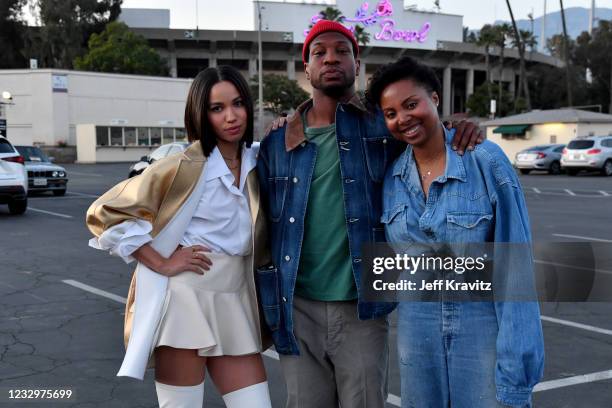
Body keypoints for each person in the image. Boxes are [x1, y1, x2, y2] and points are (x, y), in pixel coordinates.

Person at [256, 19, 483, 408]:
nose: (331, 58)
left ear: (357, 65)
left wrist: (463, 128)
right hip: (297, 307)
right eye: (320, 52)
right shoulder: (277, 142)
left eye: (342, 52)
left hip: (362, 307)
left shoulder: (385, 127)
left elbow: (428, 134)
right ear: (305, 68)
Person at [86, 66, 272, 408]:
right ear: (201, 114)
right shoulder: (182, 165)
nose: (231, 116)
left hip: (236, 296)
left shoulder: (260, 159)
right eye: (217, 108)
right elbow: (104, 213)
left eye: (238, 103)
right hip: (185, 298)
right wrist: (163, 262)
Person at [367, 56, 545, 407]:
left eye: (411, 104)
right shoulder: (392, 179)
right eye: (390, 114)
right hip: (416, 327)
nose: (403, 119)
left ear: (434, 99)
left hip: (479, 323)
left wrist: (517, 375)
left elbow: (515, 271)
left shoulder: (487, 162)